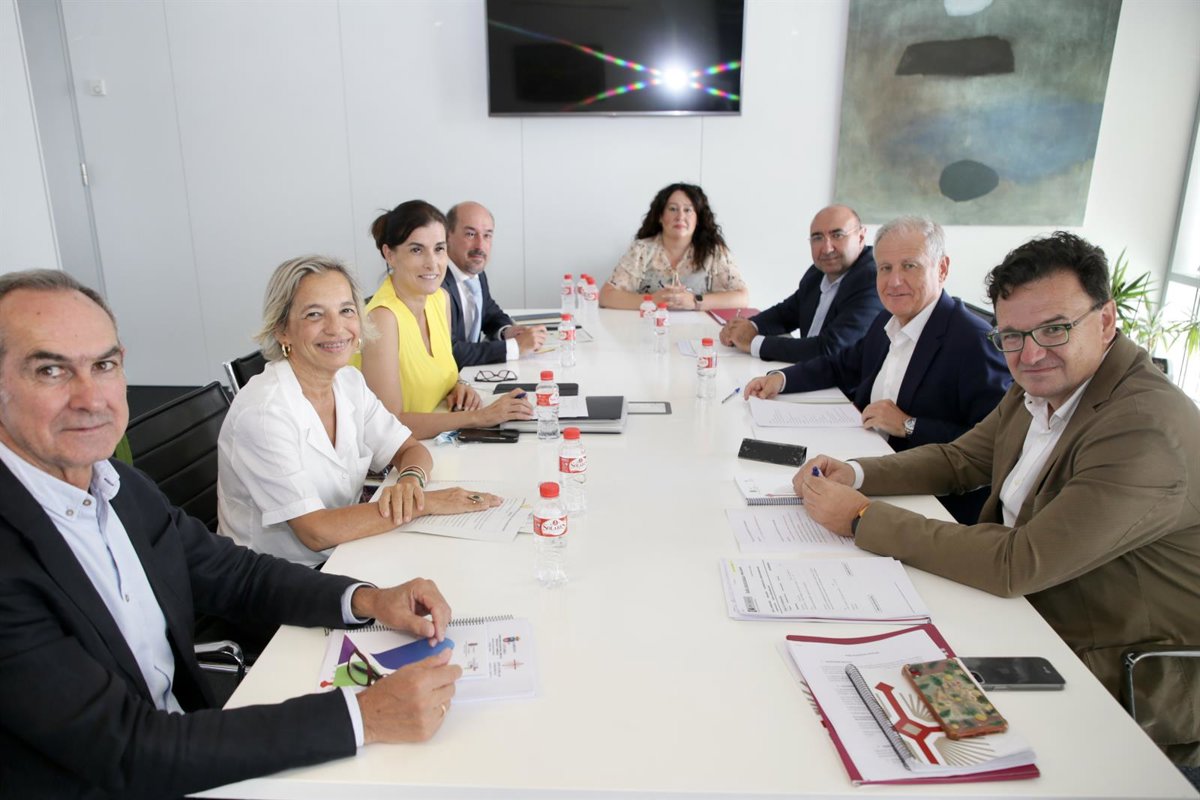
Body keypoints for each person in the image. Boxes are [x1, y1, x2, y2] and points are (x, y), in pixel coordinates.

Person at [0, 269, 464, 798]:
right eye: (50, 370)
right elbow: (125, 749)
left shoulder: (118, 485)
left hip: (181, 739)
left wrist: (370, 599)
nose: (90, 397)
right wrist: (362, 716)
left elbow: (236, 575)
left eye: (103, 365)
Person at [793, 232, 1200, 768]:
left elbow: (1017, 562)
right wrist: (858, 471)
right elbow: (961, 458)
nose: (1030, 353)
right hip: (1022, 611)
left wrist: (861, 516)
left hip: (1105, 664)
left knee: (899, 730)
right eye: (1012, 335)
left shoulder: (1144, 430)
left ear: (1106, 320)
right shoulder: (1045, 381)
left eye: (1055, 329)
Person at [218, 255, 503, 568]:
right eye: (314, 315)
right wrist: (425, 503)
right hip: (278, 576)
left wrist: (410, 482)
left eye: (346, 310)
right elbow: (316, 531)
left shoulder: (348, 381)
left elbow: (409, 449)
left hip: (348, 549)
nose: (336, 328)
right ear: (282, 331)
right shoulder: (264, 413)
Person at [745, 216, 1010, 523]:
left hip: (930, 502)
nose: (894, 281)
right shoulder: (888, 319)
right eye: (885, 268)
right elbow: (841, 364)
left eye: (909, 266)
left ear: (942, 268)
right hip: (867, 465)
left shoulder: (974, 341)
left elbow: (994, 447)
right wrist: (781, 379)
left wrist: (909, 425)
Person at [354, 200, 533, 439]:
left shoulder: (440, 299)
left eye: (439, 249)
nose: (432, 263)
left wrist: (458, 387)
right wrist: (481, 417)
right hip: (397, 453)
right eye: (417, 250)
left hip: (437, 442)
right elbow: (388, 425)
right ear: (390, 255)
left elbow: (439, 370)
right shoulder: (382, 318)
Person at [718, 204, 883, 363]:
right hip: (806, 372)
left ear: (861, 237)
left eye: (837, 235)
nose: (827, 249)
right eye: (818, 238)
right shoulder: (817, 272)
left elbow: (830, 348)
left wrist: (753, 343)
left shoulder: (872, 279)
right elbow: (786, 313)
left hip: (839, 382)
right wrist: (746, 326)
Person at [599, 182, 750, 311]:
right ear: (660, 216)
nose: (680, 217)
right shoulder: (641, 250)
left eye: (688, 210)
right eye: (672, 209)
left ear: (698, 218)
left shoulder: (713, 252)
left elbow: (741, 297)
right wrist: (652, 301)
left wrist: (694, 301)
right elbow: (606, 296)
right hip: (649, 329)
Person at [442, 201, 547, 366]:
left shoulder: (476, 273)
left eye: (487, 235)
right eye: (470, 234)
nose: (480, 245)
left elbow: (489, 313)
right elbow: (450, 351)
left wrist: (507, 331)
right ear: (447, 236)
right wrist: (515, 347)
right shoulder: (436, 282)